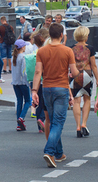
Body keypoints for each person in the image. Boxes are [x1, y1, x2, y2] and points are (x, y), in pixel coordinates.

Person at [31, 22, 77, 168]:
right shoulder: (68, 51)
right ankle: (49, 151)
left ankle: (59, 153)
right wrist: (74, 73)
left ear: (49, 35)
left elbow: (38, 72)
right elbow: (74, 72)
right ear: (62, 35)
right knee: (58, 122)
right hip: (61, 88)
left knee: (51, 120)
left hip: (46, 89)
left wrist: (34, 91)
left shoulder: (42, 51)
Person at [70, 26, 98, 137]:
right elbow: (94, 65)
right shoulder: (90, 48)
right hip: (87, 75)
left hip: (75, 75)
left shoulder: (71, 48)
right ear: (85, 36)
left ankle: (77, 127)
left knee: (76, 102)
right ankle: (84, 124)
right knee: (87, 100)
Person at [11, 39, 31, 131]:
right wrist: (28, 81)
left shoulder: (13, 57)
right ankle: (21, 118)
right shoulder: (23, 57)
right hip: (23, 82)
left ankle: (18, 124)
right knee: (28, 101)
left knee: (19, 101)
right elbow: (24, 71)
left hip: (15, 82)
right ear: (23, 47)